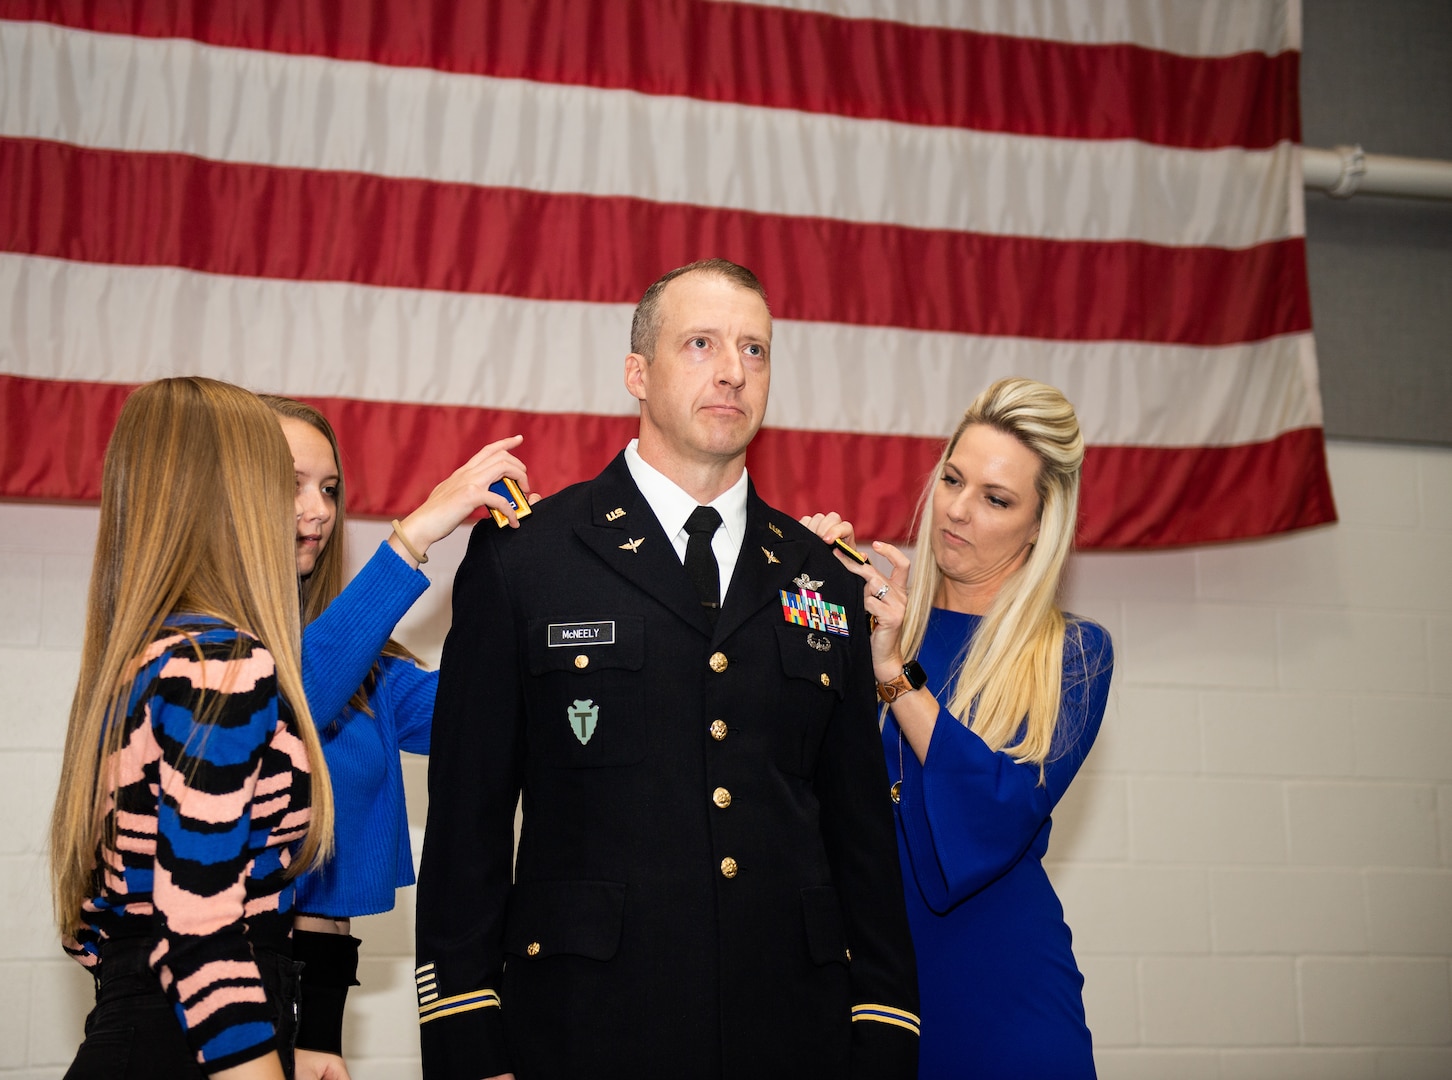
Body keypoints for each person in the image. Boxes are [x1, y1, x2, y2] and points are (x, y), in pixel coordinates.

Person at [414, 259, 921, 1080]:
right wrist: (470, 1044)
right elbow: (467, 825)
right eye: (701, 343)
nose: (732, 370)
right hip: (585, 1029)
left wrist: (886, 1026)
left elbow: (857, 829)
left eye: (754, 351)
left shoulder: (820, 574)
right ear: (637, 375)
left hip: (792, 1032)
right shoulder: (528, 557)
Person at [802, 377, 1113, 1079]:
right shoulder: (865, 620)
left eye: (996, 499)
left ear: (1040, 523)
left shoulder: (1072, 656)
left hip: (1000, 1007)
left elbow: (987, 820)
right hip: (861, 1004)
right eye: (952, 480)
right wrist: (798, 601)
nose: (958, 511)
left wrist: (896, 677)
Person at [51, 376, 330, 1080]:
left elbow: (99, 929)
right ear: (228, 495)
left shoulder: (148, 656)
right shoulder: (221, 664)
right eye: (276, 479)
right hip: (203, 1048)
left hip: (139, 1024)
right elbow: (199, 927)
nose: (304, 510)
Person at [255, 396, 532, 1080]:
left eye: (328, 488)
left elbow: (491, 711)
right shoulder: (202, 649)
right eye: (290, 485)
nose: (317, 510)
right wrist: (412, 539)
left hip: (289, 1017)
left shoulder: (365, 675)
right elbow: (290, 698)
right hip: (195, 1018)